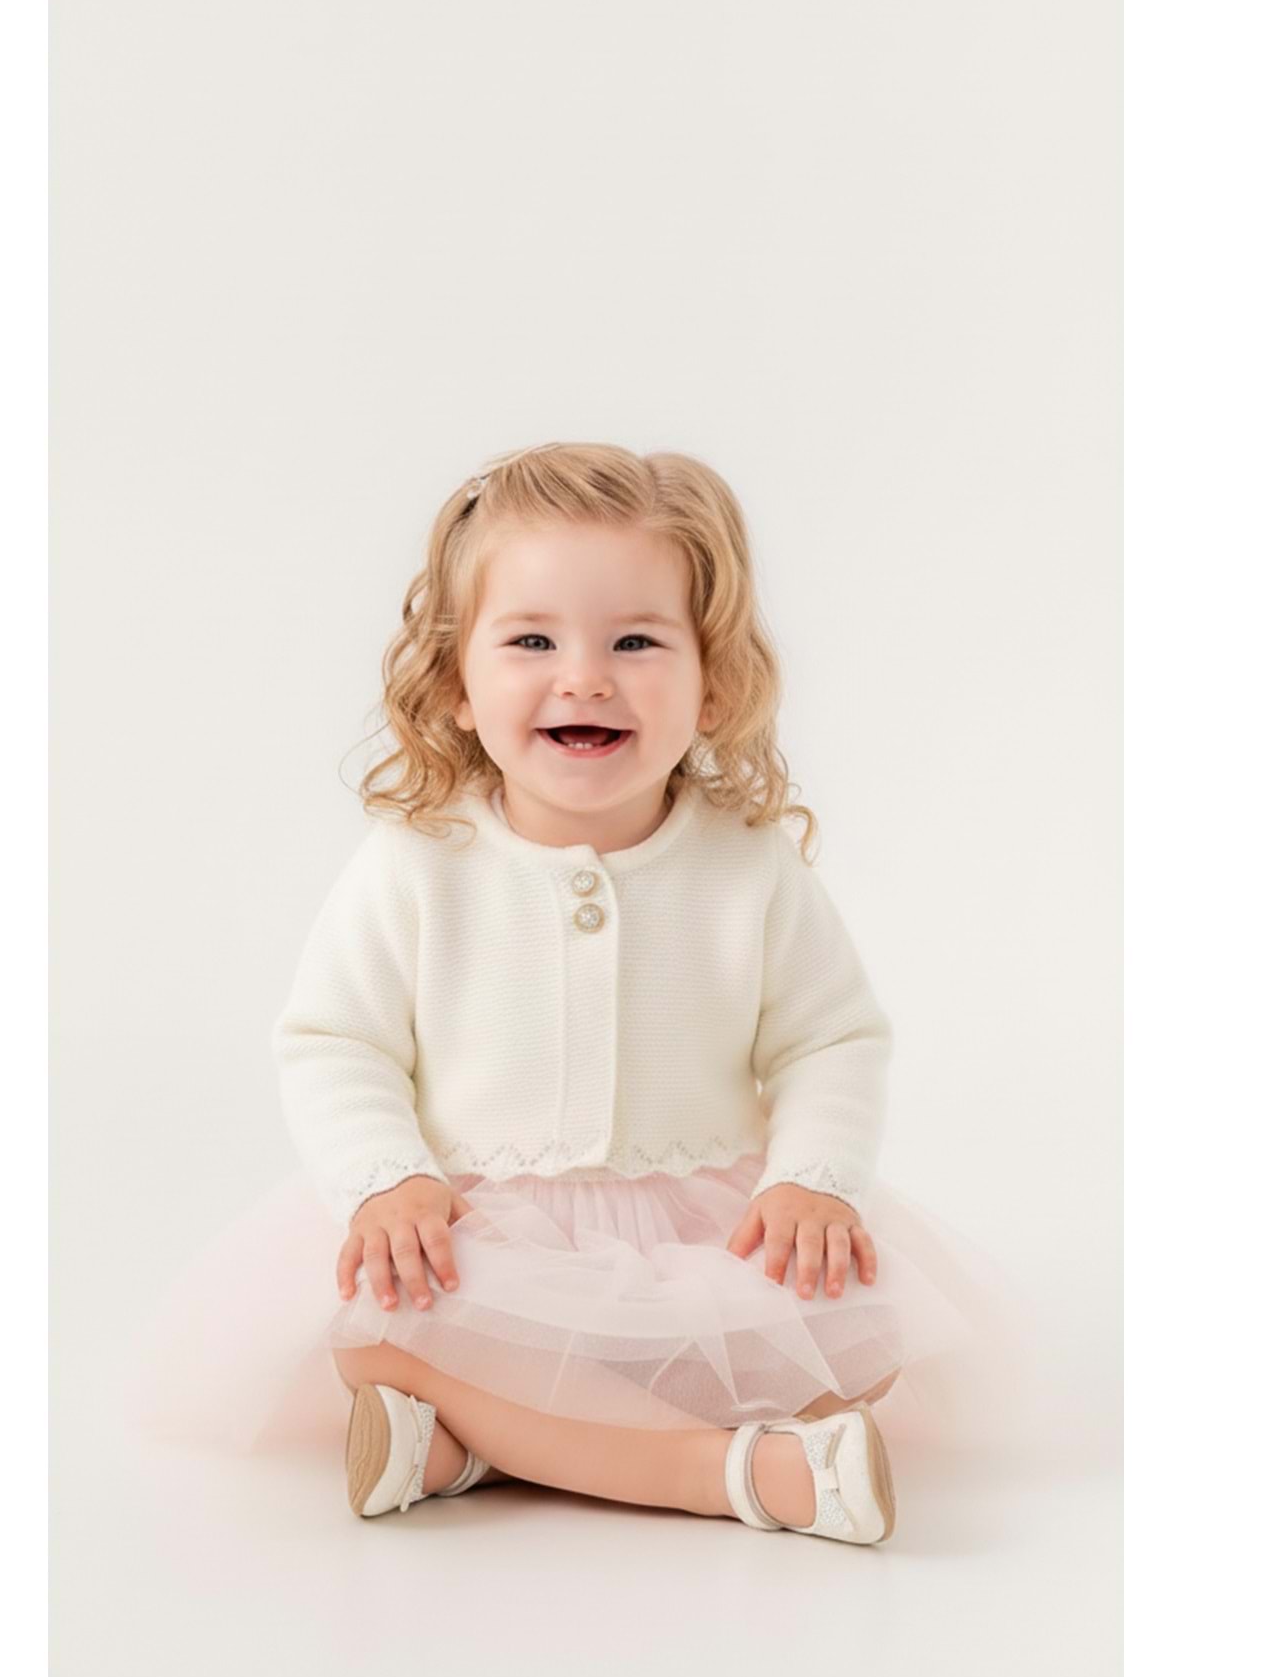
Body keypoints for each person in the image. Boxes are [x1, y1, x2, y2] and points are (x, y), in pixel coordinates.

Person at [136, 442, 1021, 1545]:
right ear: (455, 685)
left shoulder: (746, 864)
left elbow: (829, 1038)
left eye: (636, 642)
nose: (586, 677)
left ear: (715, 685)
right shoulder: (419, 860)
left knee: (865, 1346)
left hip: (699, 1235)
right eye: (532, 641)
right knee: (371, 1328)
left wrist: (811, 1180)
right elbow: (334, 1039)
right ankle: (734, 1476)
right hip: (478, 1230)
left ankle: (471, 1444)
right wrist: (389, 1180)